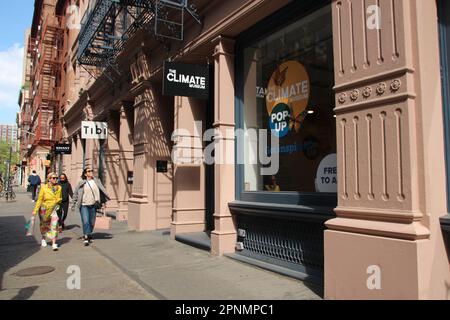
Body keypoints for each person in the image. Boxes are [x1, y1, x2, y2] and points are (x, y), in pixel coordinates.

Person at [72, 167, 110, 246]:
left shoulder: (96, 181)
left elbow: (102, 191)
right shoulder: (82, 183)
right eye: (89, 171)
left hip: (93, 205)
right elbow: (75, 193)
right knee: (86, 221)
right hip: (84, 205)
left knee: (92, 222)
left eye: (92, 170)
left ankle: (89, 234)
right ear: (85, 174)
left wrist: (103, 202)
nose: (91, 172)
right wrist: (73, 204)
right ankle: (86, 237)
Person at [31, 172, 62, 251]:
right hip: (44, 209)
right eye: (53, 178)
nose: (55, 179)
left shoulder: (59, 187)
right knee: (44, 224)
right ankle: (43, 239)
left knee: (55, 225)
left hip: (54, 209)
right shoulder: (44, 187)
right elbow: (40, 200)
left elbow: (60, 198)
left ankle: (54, 243)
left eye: (56, 178)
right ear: (49, 179)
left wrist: (58, 200)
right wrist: (35, 210)